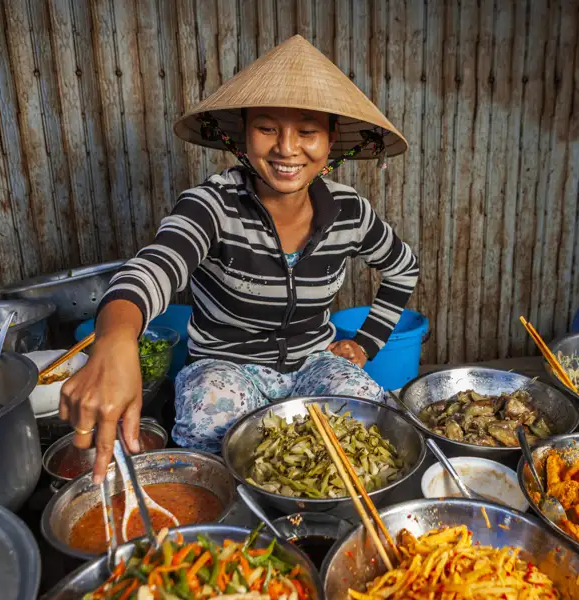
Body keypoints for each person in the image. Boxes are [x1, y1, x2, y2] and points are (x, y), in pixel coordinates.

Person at [60, 35, 419, 484]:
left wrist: (365, 343)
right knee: (215, 437)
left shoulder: (349, 212)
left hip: (314, 363)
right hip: (224, 367)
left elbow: (404, 266)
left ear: (331, 143)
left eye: (307, 131)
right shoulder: (211, 205)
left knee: (369, 427)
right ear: (242, 135)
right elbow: (153, 268)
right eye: (268, 128)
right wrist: (115, 341)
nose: (287, 148)